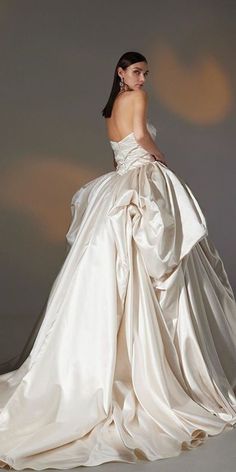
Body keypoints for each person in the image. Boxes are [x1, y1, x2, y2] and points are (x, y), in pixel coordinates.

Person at [0, 50, 236, 470]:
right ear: (121, 73)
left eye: (146, 73)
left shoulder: (110, 110)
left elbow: (118, 151)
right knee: (154, 266)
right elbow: (141, 138)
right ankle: (152, 370)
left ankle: (105, 363)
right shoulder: (136, 100)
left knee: (110, 273)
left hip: (119, 186)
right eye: (137, 72)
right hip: (142, 180)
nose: (143, 79)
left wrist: (136, 160)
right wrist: (160, 157)